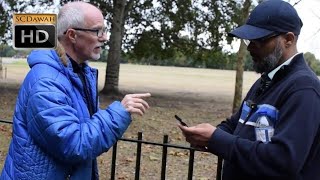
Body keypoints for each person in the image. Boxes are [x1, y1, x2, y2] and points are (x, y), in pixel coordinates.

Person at [1, 2, 151, 180]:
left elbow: (83, 124)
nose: (104, 37)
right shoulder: (46, 82)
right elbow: (73, 144)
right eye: (97, 31)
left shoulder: (79, 72)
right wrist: (118, 113)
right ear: (72, 35)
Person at [178, 0, 320, 179]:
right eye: (249, 39)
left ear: (288, 40)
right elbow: (236, 125)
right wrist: (207, 136)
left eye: (260, 39)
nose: (251, 46)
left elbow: (283, 161)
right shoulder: (267, 80)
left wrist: (217, 139)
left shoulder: (304, 88)